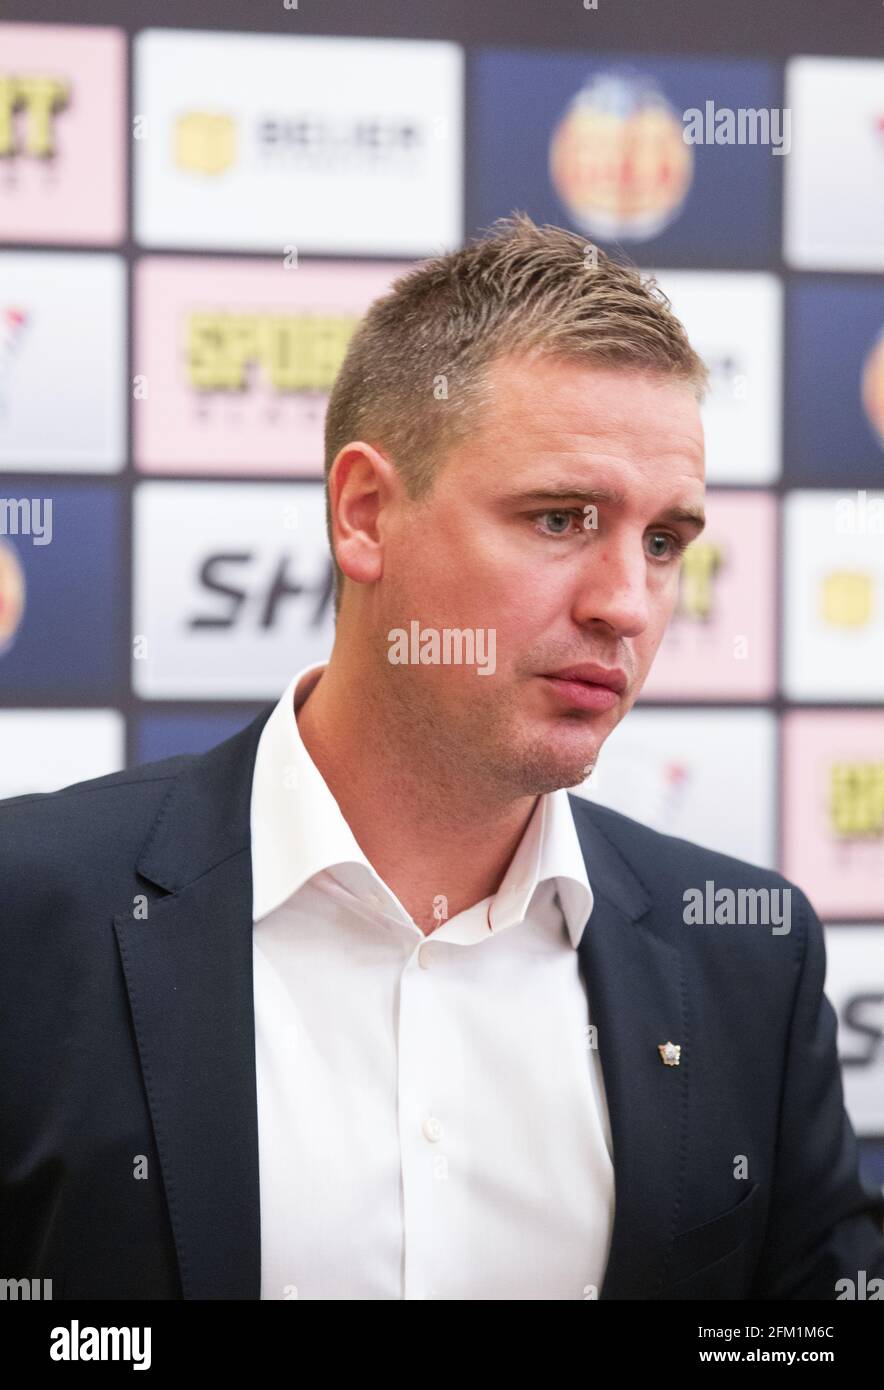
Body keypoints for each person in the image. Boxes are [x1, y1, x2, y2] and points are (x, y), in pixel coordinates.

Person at [1, 214, 882, 1300]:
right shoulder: (30, 910)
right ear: (365, 513)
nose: (626, 604)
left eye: (663, 542)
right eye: (561, 518)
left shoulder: (746, 958)